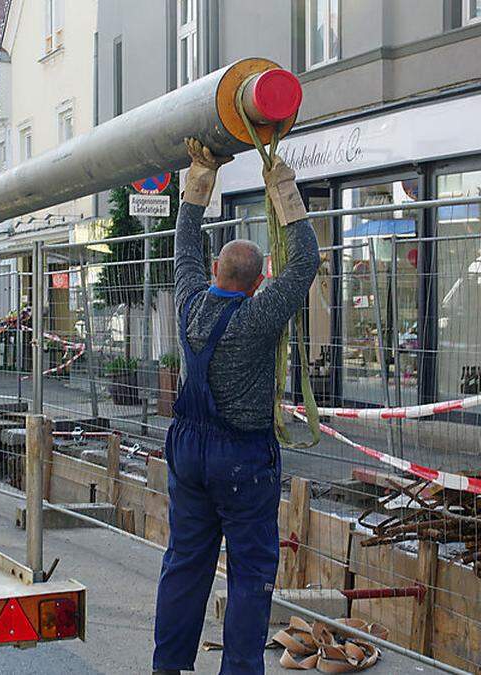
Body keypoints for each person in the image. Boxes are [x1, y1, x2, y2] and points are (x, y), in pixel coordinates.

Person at [153, 139, 319, 675]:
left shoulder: (190, 303)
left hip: (188, 451)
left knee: (185, 563)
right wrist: (282, 186)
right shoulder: (258, 318)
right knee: (249, 573)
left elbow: (183, 249)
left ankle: (168, 667)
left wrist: (201, 178)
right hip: (241, 462)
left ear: (217, 271)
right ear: (256, 283)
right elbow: (306, 263)